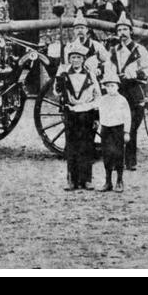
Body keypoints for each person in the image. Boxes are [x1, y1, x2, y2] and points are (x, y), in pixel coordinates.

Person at [109, 14, 148, 170]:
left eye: (125, 29)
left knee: (132, 126)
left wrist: (135, 74)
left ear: (130, 31)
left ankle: (131, 161)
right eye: (119, 29)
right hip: (118, 91)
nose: (122, 32)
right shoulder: (113, 50)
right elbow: (109, 69)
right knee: (116, 125)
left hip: (134, 89)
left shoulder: (139, 49)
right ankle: (118, 161)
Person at [57, 42, 100, 190]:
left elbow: (97, 96)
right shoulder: (64, 75)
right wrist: (59, 81)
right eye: (73, 57)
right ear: (69, 59)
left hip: (86, 112)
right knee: (72, 146)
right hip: (71, 112)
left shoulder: (90, 75)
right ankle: (72, 180)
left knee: (87, 146)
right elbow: (57, 93)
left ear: (83, 59)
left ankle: (86, 179)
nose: (75, 60)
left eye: (79, 57)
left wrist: (96, 116)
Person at [97, 65, 132, 192]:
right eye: (107, 86)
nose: (110, 89)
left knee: (118, 154)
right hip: (106, 129)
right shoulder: (102, 100)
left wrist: (126, 132)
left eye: (113, 86)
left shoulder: (122, 100)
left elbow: (127, 117)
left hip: (118, 129)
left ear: (117, 86)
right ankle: (108, 181)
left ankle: (119, 180)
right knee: (107, 154)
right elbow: (100, 114)